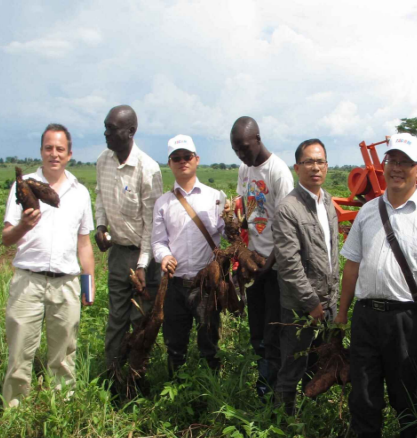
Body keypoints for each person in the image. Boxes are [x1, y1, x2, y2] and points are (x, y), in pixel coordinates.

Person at [336, 133, 417, 438]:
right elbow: (352, 266)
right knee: (363, 388)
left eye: (405, 162)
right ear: (384, 166)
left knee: (406, 389)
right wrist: (342, 313)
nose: (397, 168)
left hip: (407, 319)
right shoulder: (369, 212)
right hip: (366, 315)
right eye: (393, 161)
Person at [2, 124, 95, 408]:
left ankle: (61, 414)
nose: (54, 154)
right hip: (28, 281)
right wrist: (23, 225)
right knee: (19, 354)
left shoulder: (79, 192)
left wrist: (88, 286)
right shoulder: (24, 186)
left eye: (60, 149)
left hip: (65, 283)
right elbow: (7, 238)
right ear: (41, 151)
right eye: (48, 148)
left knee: (64, 356)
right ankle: (14, 414)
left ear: (69, 154)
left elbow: (84, 244)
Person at [94, 105, 163, 378]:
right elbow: (100, 196)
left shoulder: (148, 169)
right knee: (116, 318)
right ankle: (111, 374)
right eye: (106, 127)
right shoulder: (103, 160)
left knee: (140, 321)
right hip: (118, 254)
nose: (106, 133)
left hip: (143, 258)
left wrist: (144, 264)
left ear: (131, 131)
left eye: (112, 128)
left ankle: (135, 378)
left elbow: (152, 225)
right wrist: (100, 225)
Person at [272, 139, 339, 414]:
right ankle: (282, 425)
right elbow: (289, 265)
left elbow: (332, 252)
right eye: (309, 162)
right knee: (292, 366)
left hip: (329, 302)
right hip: (301, 308)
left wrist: (332, 300)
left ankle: (314, 418)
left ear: (326, 166)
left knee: (322, 365)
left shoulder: (328, 202)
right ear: (297, 167)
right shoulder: (288, 208)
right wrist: (312, 304)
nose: (315, 167)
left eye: (320, 161)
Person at [152, 135, 228, 373]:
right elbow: (158, 241)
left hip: (206, 284)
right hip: (175, 284)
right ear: (170, 163)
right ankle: (177, 390)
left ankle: (213, 389)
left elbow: (229, 235)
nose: (182, 161)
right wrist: (164, 256)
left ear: (197, 160)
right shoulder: (163, 203)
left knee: (210, 343)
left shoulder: (216, 197)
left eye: (187, 157)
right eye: (177, 158)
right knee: (175, 343)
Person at [231, 116, 294, 397]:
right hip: (255, 263)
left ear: (257, 139)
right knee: (256, 328)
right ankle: (263, 381)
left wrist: (267, 267)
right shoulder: (245, 170)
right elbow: (247, 210)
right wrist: (238, 230)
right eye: (236, 150)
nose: (242, 154)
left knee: (273, 329)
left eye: (245, 147)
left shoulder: (278, 172)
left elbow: (286, 229)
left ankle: (273, 389)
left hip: (276, 267)